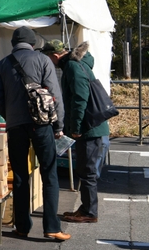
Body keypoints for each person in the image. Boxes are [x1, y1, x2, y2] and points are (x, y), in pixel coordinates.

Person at [0, 26, 70, 242]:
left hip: (15, 127)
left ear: (13, 43)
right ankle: (52, 227)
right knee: (49, 174)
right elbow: (55, 95)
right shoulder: (43, 61)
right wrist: (58, 125)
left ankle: (22, 226)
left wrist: (11, 115)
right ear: (33, 43)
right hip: (42, 125)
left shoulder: (2, 64)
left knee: (20, 176)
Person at [41, 39, 109, 225]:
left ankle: (89, 211)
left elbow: (80, 98)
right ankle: (85, 208)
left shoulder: (72, 67)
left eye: (48, 57)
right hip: (92, 127)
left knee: (87, 171)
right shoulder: (76, 64)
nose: (49, 61)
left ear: (55, 55)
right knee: (85, 170)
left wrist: (76, 127)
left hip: (88, 128)